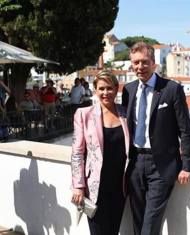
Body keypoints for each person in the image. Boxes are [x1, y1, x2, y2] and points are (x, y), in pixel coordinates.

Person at [122, 42, 190, 235]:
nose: (140, 67)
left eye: (144, 62)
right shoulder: (128, 90)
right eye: (135, 63)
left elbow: (185, 130)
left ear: (154, 63)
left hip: (161, 166)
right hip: (135, 163)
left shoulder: (172, 89)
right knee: (138, 222)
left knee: (149, 226)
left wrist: (187, 166)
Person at [71, 70, 130, 235]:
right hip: (94, 189)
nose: (106, 93)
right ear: (95, 90)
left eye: (109, 88)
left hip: (120, 187)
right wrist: (78, 186)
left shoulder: (126, 113)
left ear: (116, 89)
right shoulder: (84, 114)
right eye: (101, 88)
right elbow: (77, 153)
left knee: (113, 231)